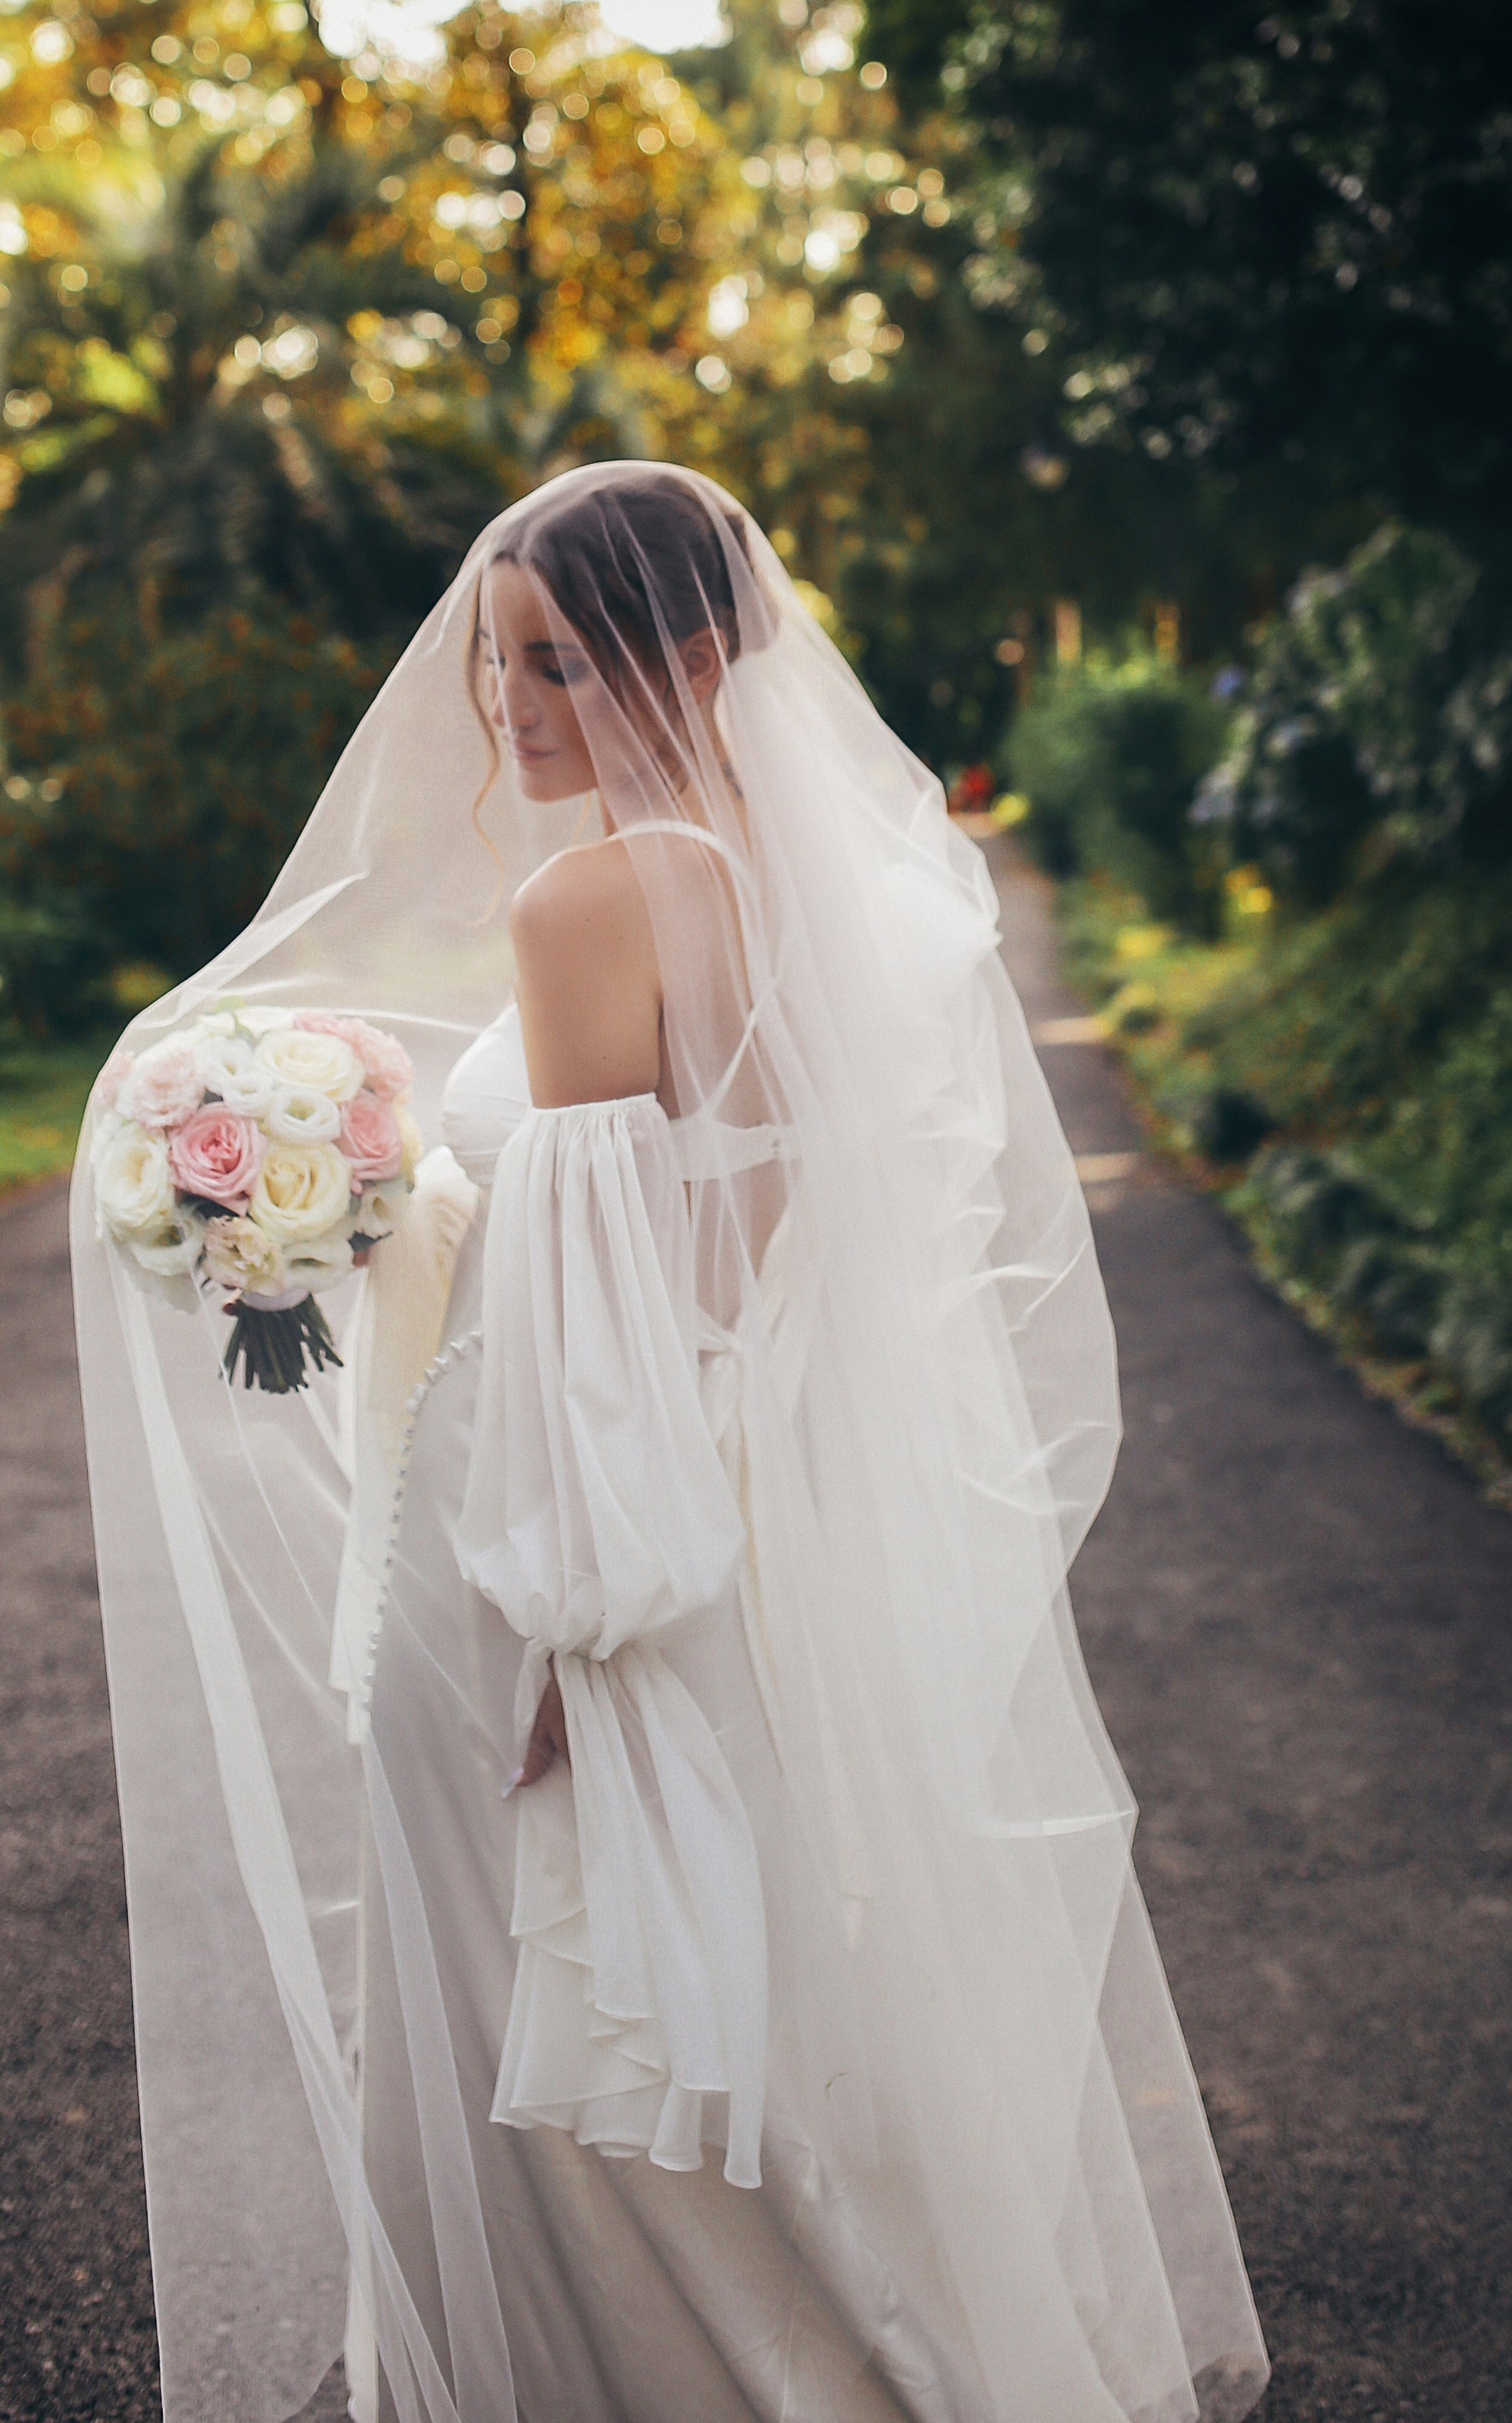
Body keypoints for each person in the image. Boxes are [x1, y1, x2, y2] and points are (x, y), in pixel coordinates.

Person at [72, 462, 1269, 2423]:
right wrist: (383, 1214)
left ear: (692, 654)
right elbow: (714, 1259)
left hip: (558, 1560)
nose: (507, 708)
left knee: (556, 2018)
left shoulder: (591, 900)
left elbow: (604, 1318)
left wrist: (568, 1632)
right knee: (744, 2021)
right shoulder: (784, 884)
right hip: (718, 1536)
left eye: (555, 662)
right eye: (496, 660)